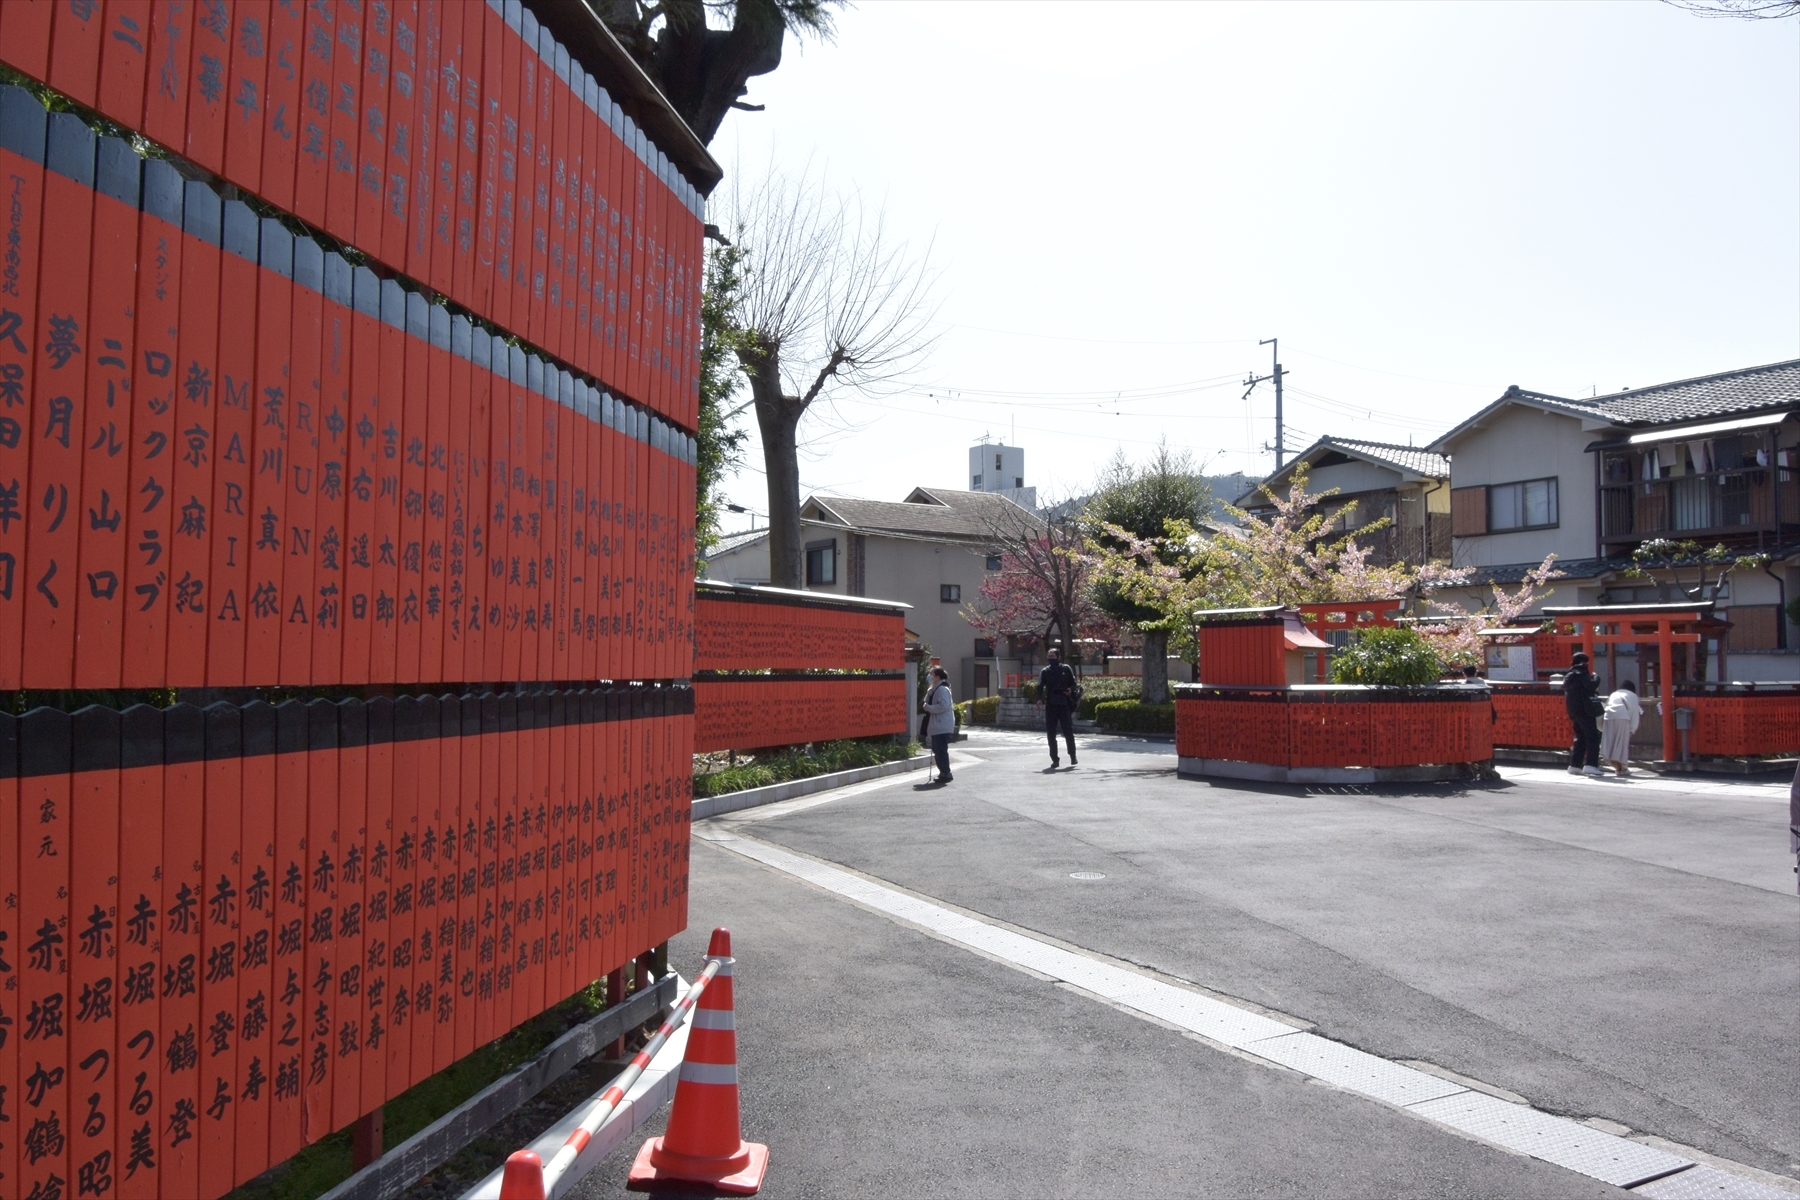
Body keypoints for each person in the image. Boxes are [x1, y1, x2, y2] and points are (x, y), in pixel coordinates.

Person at [1562, 652, 1603, 776]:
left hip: (1573, 711)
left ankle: (1575, 765)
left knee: (1580, 738)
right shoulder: (1582, 673)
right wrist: (1596, 677)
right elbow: (1591, 686)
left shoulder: (1569, 675)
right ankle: (1591, 765)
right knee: (1593, 738)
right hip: (1585, 710)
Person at [1037, 647, 1079, 768]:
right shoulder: (1045, 671)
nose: (1050, 659)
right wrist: (1039, 699)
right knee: (1051, 734)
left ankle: (1073, 755)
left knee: (1068, 732)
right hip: (1051, 704)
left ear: (1058, 657)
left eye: (1052, 657)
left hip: (1064, 704)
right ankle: (1055, 759)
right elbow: (1040, 686)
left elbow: (1074, 683)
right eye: (1049, 657)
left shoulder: (1066, 669)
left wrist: (1070, 690)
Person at [1600, 679, 1641, 777]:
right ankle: (1623, 768)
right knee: (1621, 744)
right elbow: (1635, 713)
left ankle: (1617, 767)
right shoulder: (1633, 696)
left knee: (1610, 744)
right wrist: (1633, 728)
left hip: (1608, 717)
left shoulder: (1614, 694)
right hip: (1622, 717)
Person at [921, 667, 955, 784]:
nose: (929, 676)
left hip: (941, 725)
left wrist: (929, 708)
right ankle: (943, 772)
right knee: (938, 750)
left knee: (940, 750)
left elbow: (943, 706)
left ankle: (946, 772)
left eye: (931, 674)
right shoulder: (934, 689)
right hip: (938, 726)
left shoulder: (942, 690)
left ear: (937, 677)